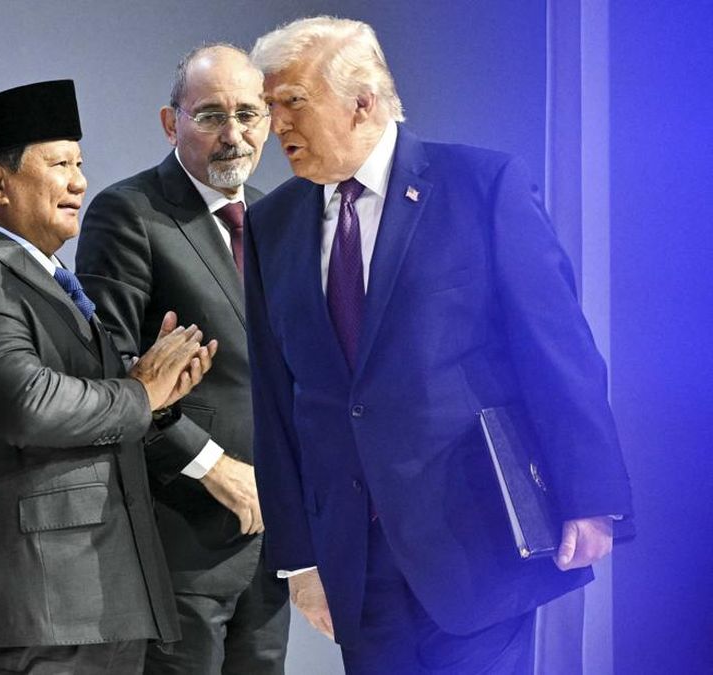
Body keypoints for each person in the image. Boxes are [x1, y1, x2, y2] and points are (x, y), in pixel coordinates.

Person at [243, 16, 634, 673]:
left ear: (362, 101)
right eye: (269, 104)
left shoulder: (481, 186)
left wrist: (590, 496)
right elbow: (275, 400)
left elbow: (557, 350)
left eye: (293, 102)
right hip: (357, 565)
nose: (274, 123)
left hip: (480, 541)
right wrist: (299, 558)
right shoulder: (270, 224)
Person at [0, 79, 213, 674]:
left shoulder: (48, 276)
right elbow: (25, 403)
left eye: (80, 164)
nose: (80, 182)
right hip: (36, 614)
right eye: (60, 164)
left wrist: (157, 390)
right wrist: (139, 393)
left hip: (88, 606)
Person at [75, 44, 289, 675]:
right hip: (182, 537)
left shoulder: (276, 217)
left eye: (248, 114)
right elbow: (111, 373)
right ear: (172, 123)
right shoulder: (129, 213)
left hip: (272, 540)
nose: (234, 135)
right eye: (211, 116)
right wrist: (212, 466)